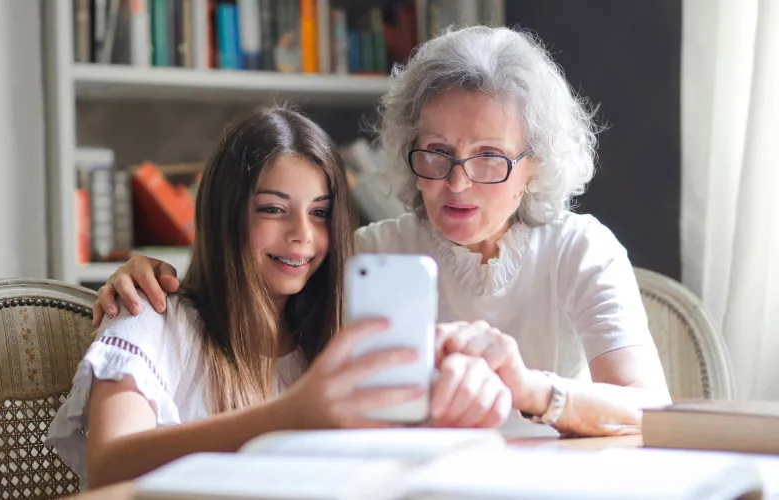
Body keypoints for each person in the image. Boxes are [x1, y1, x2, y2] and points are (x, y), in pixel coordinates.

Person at [93, 26, 673, 438]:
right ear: (406, 149)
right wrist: (147, 274)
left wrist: (529, 389)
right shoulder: (365, 256)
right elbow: (248, 301)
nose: (458, 184)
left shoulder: (581, 248)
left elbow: (651, 409)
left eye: (490, 158)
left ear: (535, 165)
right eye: (437, 153)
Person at [47, 105, 511, 490]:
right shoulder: (149, 315)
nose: (302, 237)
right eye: (273, 209)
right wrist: (290, 415)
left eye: (321, 213)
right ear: (226, 214)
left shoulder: (333, 340)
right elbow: (109, 465)